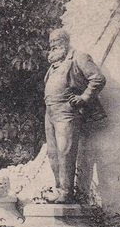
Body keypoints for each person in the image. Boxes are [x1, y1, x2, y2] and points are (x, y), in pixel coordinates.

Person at [43, 28, 106, 204]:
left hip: (66, 111)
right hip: (50, 112)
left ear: (66, 41)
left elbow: (98, 79)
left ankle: (66, 192)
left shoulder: (79, 57)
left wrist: (84, 97)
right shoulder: (54, 64)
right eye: (51, 42)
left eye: (57, 41)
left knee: (65, 152)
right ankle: (58, 190)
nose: (53, 45)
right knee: (53, 153)